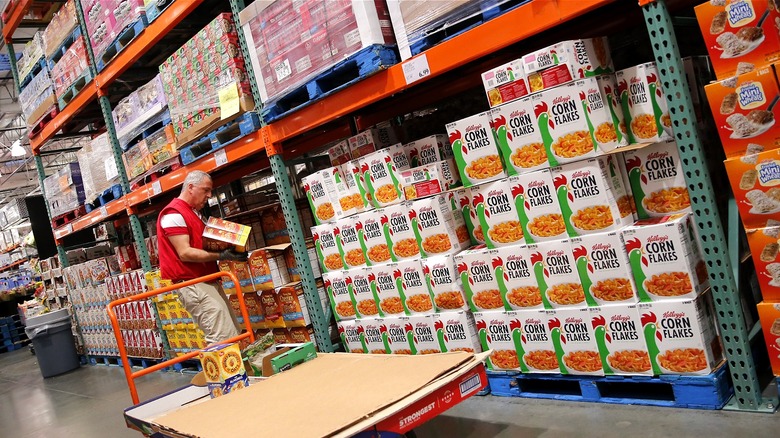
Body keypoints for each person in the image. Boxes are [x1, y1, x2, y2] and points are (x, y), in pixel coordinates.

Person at [156, 170, 246, 344]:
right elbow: (185, 252)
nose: (209, 195)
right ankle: (223, 371)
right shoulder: (173, 213)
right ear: (190, 187)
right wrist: (221, 254)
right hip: (193, 284)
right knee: (221, 336)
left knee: (232, 331)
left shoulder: (193, 213)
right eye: (205, 190)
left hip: (206, 280)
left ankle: (237, 370)